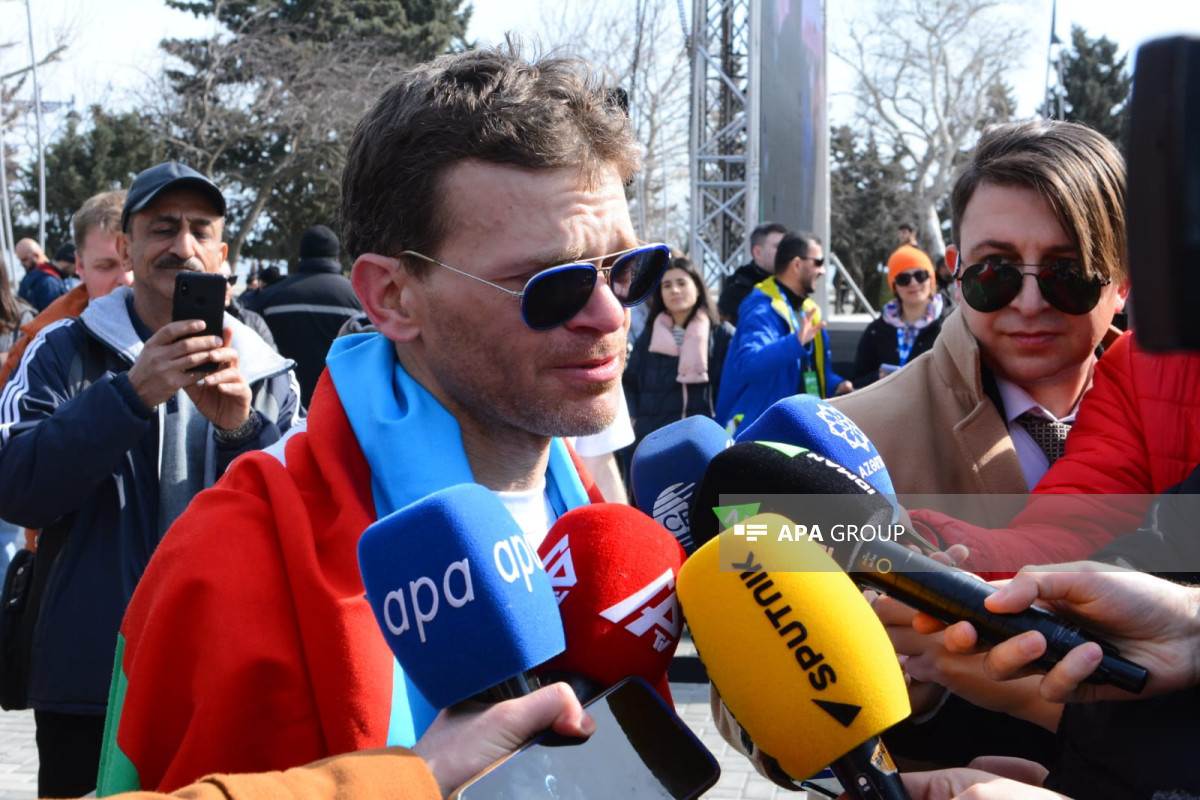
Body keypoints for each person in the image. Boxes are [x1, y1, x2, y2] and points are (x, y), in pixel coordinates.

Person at [99, 43, 667, 794]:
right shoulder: (231, 558)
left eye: (626, 269)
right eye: (547, 283)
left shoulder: (606, 545)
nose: (608, 314)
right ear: (392, 297)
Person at [0, 162, 300, 797]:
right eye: (162, 228)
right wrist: (129, 396)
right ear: (128, 248)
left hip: (227, 675)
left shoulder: (266, 368)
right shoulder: (61, 350)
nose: (181, 245)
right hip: (91, 679)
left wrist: (241, 433)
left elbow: (297, 524)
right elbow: (17, 487)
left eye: (200, 229)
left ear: (222, 252)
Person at [831, 120, 1129, 525]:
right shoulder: (848, 444)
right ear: (956, 272)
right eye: (995, 269)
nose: (1029, 304)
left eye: (1067, 272)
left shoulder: (1176, 422)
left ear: (1124, 281)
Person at [715, 229, 852, 434]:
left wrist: (837, 385)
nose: (823, 271)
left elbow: (811, 372)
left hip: (799, 429)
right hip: (758, 433)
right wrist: (795, 343)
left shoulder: (809, 310)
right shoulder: (761, 307)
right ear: (797, 264)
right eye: (818, 262)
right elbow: (749, 363)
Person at [0, 190, 133, 387]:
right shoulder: (34, 347)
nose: (126, 279)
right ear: (80, 266)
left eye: (134, 263)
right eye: (106, 266)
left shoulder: (188, 325)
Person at [624, 255, 734, 453]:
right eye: (666, 285)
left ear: (698, 288)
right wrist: (634, 420)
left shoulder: (721, 334)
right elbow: (628, 382)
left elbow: (734, 385)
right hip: (655, 442)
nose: (674, 290)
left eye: (681, 283)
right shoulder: (649, 336)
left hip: (706, 442)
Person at [248, 224, 362, 406]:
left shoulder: (269, 298)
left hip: (281, 408)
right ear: (337, 258)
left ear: (301, 256)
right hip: (340, 408)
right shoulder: (359, 298)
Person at [851, 243, 947, 388]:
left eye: (920, 275)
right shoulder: (876, 330)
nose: (913, 283)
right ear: (894, 286)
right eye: (904, 278)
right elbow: (857, 381)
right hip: (888, 408)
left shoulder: (949, 325)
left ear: (931, 279)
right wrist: (878, 378)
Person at [716, 222, 786, 324]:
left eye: (787, 247)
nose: (785, 252)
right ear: (758, 252)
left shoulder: (792, 285)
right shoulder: (737, 290)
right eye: (778, 247)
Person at [218, 260, 277, 351]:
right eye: (219, 279)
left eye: (231, 280)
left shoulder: (254, 321)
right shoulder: (190, 320)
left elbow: (273, 361)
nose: (227, 286)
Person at [15, 238, 67, 312]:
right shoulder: (51, 279)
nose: (21, 264)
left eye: (25, 259)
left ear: (37, 255)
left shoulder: (47, 280)